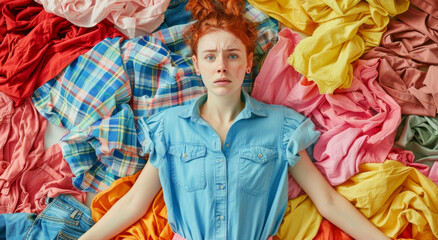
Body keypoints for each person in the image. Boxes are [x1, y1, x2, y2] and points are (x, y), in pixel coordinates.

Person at [79, 0, 390, 239]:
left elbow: (328, 203)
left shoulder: (283, 127)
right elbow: (135, 204)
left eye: (232, 55)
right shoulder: (169, 128)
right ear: (197, 65)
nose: (221, 67)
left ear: (248, 61)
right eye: (210, 56)